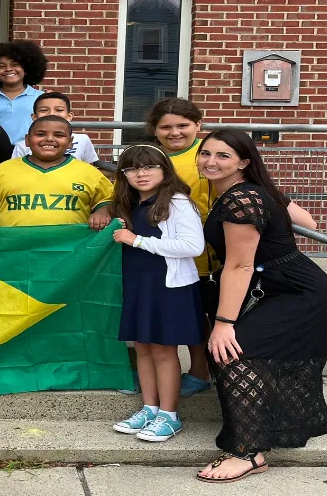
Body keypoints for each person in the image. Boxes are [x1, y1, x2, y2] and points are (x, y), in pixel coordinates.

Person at [195, 129, 327, 484]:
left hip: (295, 293)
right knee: (237, 352)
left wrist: (224, 323)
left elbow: (240, 265)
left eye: (222, 156)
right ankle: (254, 437)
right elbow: (309, 221)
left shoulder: (241, 199)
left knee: (231, 351)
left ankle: (248, 453)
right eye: (205, 153)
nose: (210, 161)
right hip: (279, 286)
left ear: (243, 162)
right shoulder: (253, 191)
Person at [109, 145, 206, 443]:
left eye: (149, 166)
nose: (141, 173)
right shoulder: (129, 204)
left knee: (164, 350)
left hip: (168, 286)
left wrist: (136, 240)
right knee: (142, 348)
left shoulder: (177, 202)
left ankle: (169, 415)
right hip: (138, 284)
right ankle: (150, 408)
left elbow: (193, 247)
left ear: (165, 170)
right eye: (132, 168)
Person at [146, 97, 217, 396]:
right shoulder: (150, 159)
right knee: (187, 318)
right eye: (166, 127)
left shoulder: (208, 156)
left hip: (209, 254)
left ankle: (203, 372)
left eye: (183, 125)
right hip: (164, 253)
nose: (174, 132)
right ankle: (191, 372)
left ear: (198, 125)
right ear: (155, 130)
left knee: (205, 317)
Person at [0, 116, 114, 233]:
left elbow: (106, 202)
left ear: (70, 142)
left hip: (68, 252)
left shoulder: (89, 173)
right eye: (40, 134)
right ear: (27, 140)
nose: (49, 139)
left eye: (59, 135)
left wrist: (102, 212)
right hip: (15, 249)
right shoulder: (3, 170)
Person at [12, 92, 114, 171]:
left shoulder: (83, 139)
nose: (51, 113)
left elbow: (89, 168)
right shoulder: (22, 145)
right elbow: (16, 170)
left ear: (69, 116)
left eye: (59, 110)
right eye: (44, 110)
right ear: (34, 117)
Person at [0, 40, 47, 144]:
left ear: (26, 69)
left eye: (15, 64)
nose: (8, 69)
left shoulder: (41, 98)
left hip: (30, 151)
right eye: (1, 66)